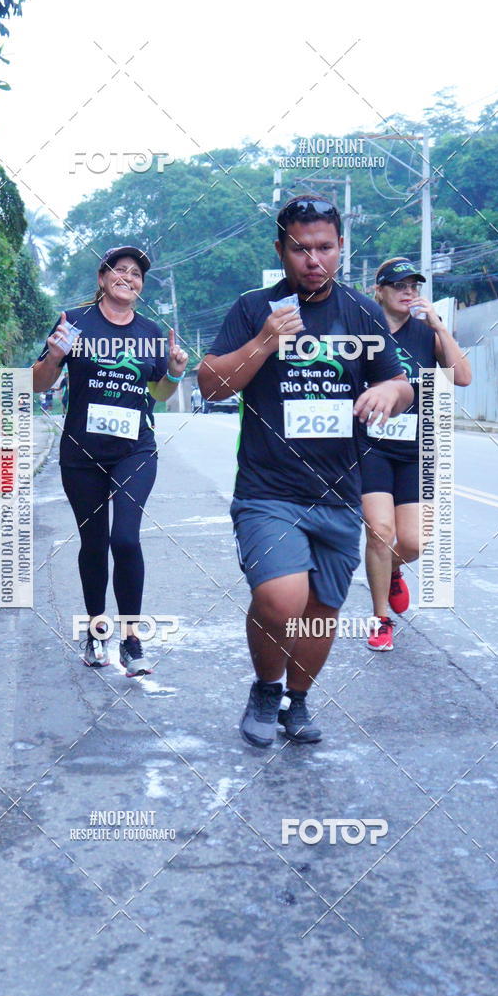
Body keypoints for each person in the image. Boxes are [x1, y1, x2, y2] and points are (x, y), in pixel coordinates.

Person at [198, 196, 413, 747]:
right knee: (280, 599)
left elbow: (402, 382)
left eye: (324, 247)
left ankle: (298, 701)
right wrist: (266, 341)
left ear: (341, 249)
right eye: (300, 248)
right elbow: (212, 386)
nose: (313, 259)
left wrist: (391, 388)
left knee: (321, 611)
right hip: (268, 492)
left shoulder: (361, 311)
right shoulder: (254, 308)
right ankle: (266, 689)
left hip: (340, 494)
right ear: (281, 250)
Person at [33, 245, 188, 673]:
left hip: (135, 450)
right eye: (119, 270)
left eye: (136, 273)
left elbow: (159, 394)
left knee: (125, 538)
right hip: (81, 452)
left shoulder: (152, 333)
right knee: (94, 542)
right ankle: (96, 631)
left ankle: (132, 639)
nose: (128, 277)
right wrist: (56, 355)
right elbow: (37, 382)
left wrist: (174, 371)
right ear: (102, 279)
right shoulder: (75, 322)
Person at [359, 257, 471, 651]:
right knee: (379, 532)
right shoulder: (363, 330)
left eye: (414, 286)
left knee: (414, 541)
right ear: (380, 291)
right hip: (369, 445)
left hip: (415, 449)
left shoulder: (426, 334)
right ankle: (380, 619)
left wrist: (439, 326)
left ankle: (388, 570)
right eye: (399, 286)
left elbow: (462, 376)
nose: (408, 292)